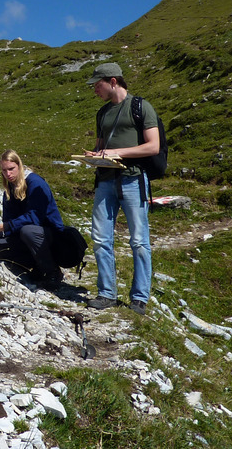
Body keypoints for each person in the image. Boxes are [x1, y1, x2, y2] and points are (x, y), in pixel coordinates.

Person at [83, 62, 160, 315]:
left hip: (133, 179)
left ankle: (139, 297)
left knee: (139, 240)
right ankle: (106, 294)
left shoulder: (141, 107)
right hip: (105, 180)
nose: (95, 89)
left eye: (98, 84)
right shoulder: (102, 113)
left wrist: (117, 152)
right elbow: (101, 145)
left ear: (113, 81)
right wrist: (93, 156)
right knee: (101, 238)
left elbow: (153, 146)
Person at [0, 149, 66, 290]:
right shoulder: (9, 190)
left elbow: (35, 218)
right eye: (4, 170)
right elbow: (10, 223)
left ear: (19, 166)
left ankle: (52, 272)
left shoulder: (35, 183)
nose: (8, 174)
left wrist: (2, 227)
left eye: (11, 169)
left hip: (51, 236)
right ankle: (36, 267)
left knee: (28, 231)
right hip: (27, 236)